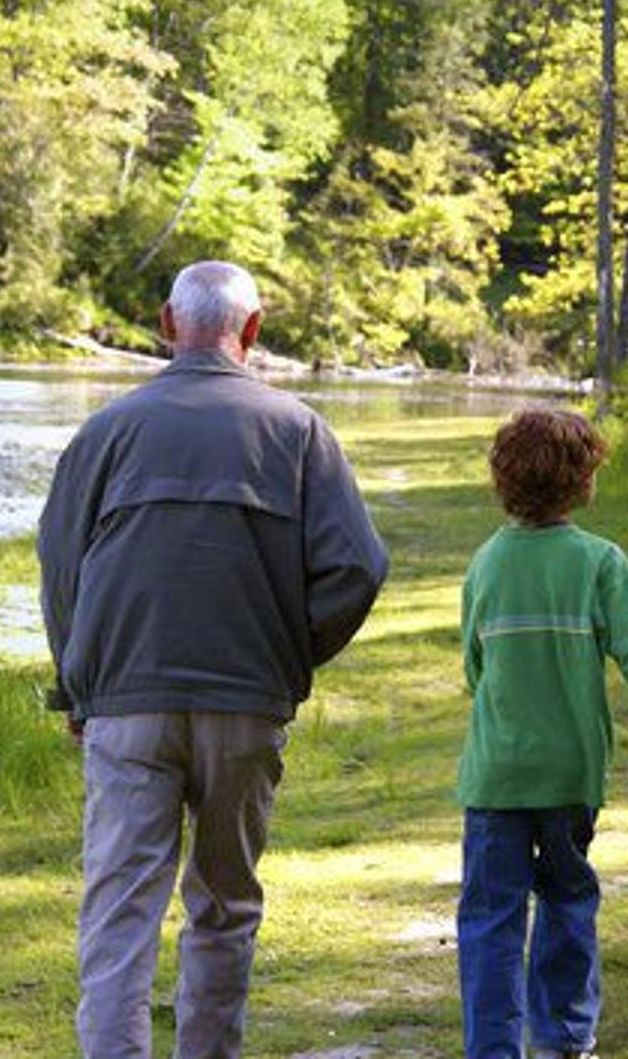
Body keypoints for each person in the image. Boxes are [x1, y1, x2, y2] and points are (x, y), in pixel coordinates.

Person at [37, 260, 388, 1059]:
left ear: (168, 324)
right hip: (246, 703)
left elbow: (59, 567)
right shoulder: (299, 431)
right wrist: (284, 656)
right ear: (253, 331)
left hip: (126, 701)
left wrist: (77, 685)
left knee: (120, 908)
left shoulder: (105, 431)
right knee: (226, 904)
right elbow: (357, 568)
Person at [455, 407, 628, 1059]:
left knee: (489, 918)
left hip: (495, 777)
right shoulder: (600, 563)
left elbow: (474, 669)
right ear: (581, 481)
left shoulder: (486, 563)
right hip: (571, 775)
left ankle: (492, 1049)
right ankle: (564, 1041)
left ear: (503, 480)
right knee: (568, 899)